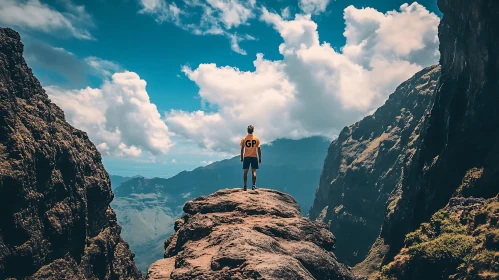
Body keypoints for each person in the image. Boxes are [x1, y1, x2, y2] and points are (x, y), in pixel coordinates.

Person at [240, 125, 261, 191]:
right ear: (253, 130)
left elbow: (242, 149)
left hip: (246, 157)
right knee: (254, 171)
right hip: (254, 157)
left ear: (247, 130)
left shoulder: (244, 139)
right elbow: (259, 149)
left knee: (245, 172)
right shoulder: (256, 139)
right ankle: (253, 186)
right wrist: (260, 158)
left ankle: (245, 186)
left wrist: (241, 157)